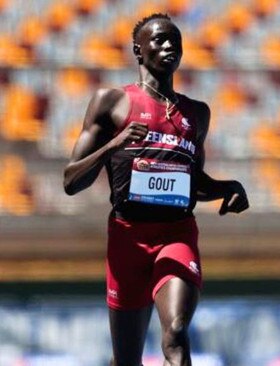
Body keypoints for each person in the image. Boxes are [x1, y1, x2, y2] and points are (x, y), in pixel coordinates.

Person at [63, 13, 249, 366]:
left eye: (175, 42)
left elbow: (193, 183)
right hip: (127, 239)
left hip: (176, 234)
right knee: (127, 360)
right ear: (138, 50)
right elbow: (71, 181)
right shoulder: (112, 102)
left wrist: (228, 188)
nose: (169, 47)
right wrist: (113, 146)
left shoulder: (197, 113)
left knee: (176, 333)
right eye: (160, 40)